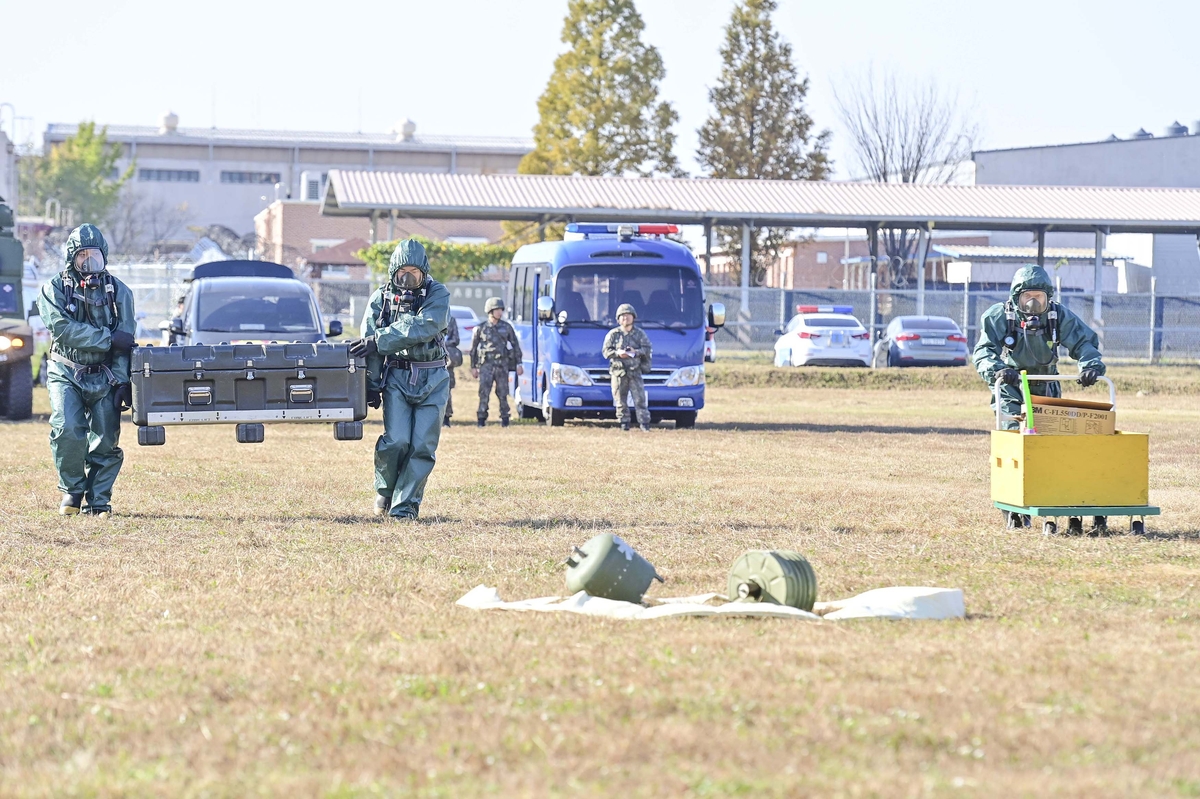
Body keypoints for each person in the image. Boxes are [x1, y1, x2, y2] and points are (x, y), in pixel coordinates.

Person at [973, 263, 1107, 530]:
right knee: (1014, 440)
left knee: (1053, 444)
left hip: (1047, 383)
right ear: (1016, 298)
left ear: (1049, 298)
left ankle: (1052, 498)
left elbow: (1084, 342)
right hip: (1011, 385)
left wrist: (1090, 365)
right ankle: (1013, 507)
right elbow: (982, 351)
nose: (1033, 304)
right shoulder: (999, 316)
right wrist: (999, 370)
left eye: (1039, 298)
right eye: (1027, 297)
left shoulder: (1058, 316)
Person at [37, 224, 137, 517]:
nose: (89, 262)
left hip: (105, 373)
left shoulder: (120, 292)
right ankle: (72, 490)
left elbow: (126, 340)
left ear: (105, 256)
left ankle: (99, 501)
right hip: (65, 369)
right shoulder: (53, 288)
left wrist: (122, 380)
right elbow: (62, 329)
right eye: (82, 255)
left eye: (95, 255)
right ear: (72, 257)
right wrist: (107, 338)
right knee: (67, 429)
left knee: (106, 438)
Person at [349, 239, 450, 521]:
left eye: (414, 273)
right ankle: (385, 491)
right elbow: (367, 343)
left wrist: (379, 340)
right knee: (396, 441)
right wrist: (370, 385)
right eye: (402, 273)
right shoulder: (381, 299)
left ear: (424, 273)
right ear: (393, 272)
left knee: (422, 446)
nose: (407, 279)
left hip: (434, 378)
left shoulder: (437, 294)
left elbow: (424, 325)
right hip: (397, 376)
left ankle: (404, 508)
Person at [470, 297, 522, 427]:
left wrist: (519, 364)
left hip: (501, 365)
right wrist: (473, 367)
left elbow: (515, 346)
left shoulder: (507, 327)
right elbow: (473, 349)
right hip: (486, 366)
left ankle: (505, 418)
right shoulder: (480, 328)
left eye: (501, 310)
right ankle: (481, 419)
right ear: (490, 311)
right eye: (497, 310)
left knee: (503, 392)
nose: (500, 312)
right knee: (484, 393)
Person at [602, 303, 653, 432]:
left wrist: (635, 352)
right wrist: (618, 353)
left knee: (640, 400)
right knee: (620, 401)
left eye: (628, 315)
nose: (625, 318)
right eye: (622, 316)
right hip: (618, 372)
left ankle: (644, 424)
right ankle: (624, 423)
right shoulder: (613, 334)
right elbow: (606, 352)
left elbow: (647, 349)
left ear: (633, 317)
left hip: (635, 372)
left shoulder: (640, 334)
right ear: (618, 319)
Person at [443, 312, 461, 427]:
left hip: (446, 360)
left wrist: (443, 343)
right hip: (430, 359)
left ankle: (446, 418)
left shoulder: (451, 319)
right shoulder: (430, 316)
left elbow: (456, 339)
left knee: (447, 390)